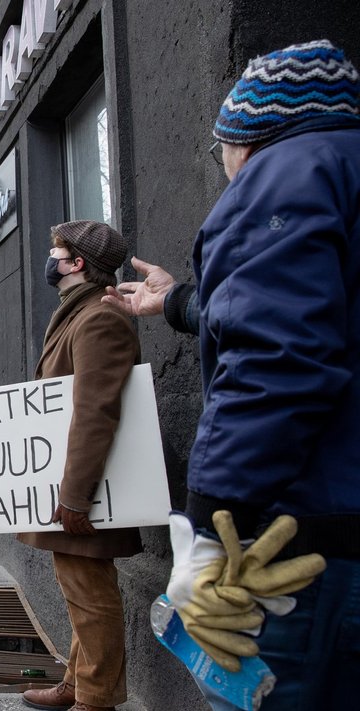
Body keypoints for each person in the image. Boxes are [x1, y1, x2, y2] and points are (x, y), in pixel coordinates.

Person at [104, 40, 360, 710]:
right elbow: (317, 316)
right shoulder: (343, 173)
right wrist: (181, 301)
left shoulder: (284, 173)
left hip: (298, 550)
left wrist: (211, 526)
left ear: (245, 138)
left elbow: (276, 359)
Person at [18, 221, 140, 711]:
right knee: (80, 590)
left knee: (91, 595)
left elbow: (96, 411)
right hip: (77, 484)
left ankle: (96, 698)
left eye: (57, 251)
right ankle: (78, 682)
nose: (51, 258)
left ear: (78, 264)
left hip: (86, 489)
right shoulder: (80, 313)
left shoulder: (98, 318)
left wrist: (74, 495)